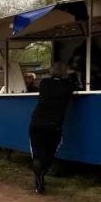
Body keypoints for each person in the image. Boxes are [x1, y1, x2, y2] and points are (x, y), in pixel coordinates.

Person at [29, 62, 79, 194]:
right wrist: (72, 74)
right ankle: (41, 171)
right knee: (50, 154)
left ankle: (39, 179)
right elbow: (76, 85)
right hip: (53, 125)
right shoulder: (67, 86)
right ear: (64, 73)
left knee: (38, 153)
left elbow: (52, 81)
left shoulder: (44, 83)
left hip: (36, 123)